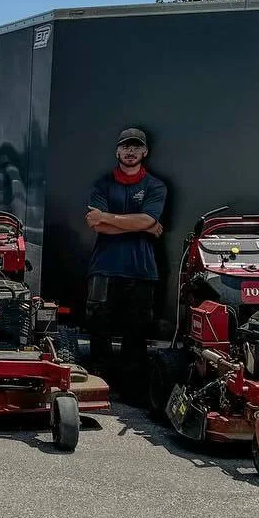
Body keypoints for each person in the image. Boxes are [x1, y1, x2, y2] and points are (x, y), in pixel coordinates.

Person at [83, 126, 167, 400]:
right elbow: (98, 226)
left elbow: (148, 219)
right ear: (117, 151)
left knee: (137, 333)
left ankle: (131, 391)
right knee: (99, 330)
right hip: (104, 268)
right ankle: (97, 387)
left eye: (136, 147)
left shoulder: (155, 186)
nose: (130, 152)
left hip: (141, 270)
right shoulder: (102, 184)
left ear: (145, 152)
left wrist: (110, 217)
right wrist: (142, 225)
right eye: (125, 146)